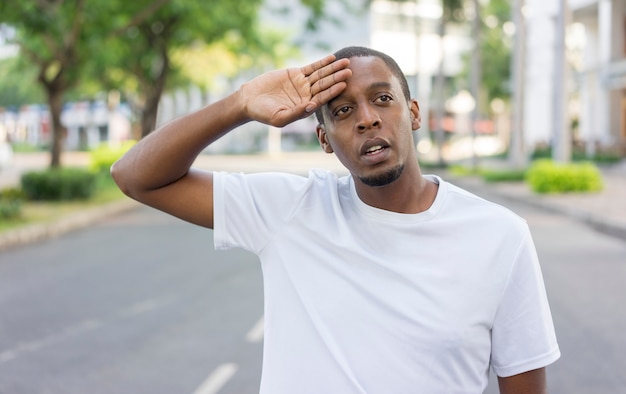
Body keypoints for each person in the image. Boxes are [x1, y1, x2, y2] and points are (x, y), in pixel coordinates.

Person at [112, 46, 560, 393]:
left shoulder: (499, 235)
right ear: (326, 140)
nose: (367, 119)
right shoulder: (291, 207)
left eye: (383, 99)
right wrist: (240, 104)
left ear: (414, 114)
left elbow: (522, 380)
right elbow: (136, 177)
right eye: (343, 111)